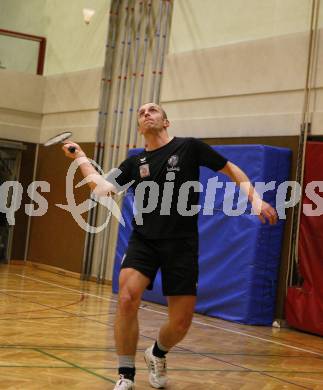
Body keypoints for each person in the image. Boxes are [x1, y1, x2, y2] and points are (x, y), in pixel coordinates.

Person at [62, 102, 278, 389]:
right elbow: (102, 188)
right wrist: (81, 158)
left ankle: (157, 353)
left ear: (166, 121)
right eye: (141, 113)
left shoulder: (189, 147)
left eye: (152, 110)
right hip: (144, 240)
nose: (146, 114)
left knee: (180, 322)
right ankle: (126, 374)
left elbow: (231, 169)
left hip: (182, 243)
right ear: (140, 128)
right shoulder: (135, 163)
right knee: (127, 298)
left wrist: (255, 198)